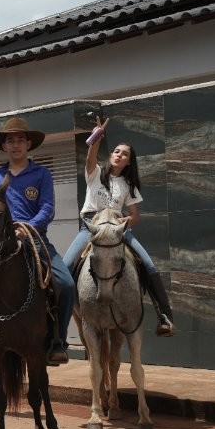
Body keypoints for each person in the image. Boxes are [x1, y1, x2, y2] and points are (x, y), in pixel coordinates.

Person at [0, 117, 75, 365]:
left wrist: (28, 227)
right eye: (11, 140)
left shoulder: (41, 174)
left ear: (29, 144)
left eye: (20, 140)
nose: (16, 145)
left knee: (67, 284)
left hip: (34, 238)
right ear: (4, 146)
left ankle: (58, 342)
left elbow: (47, 208)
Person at [63, 117, 173, 336]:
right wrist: (97, 136)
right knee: (64, 267)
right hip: (91, 228)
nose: (119, 155)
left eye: (124, 154)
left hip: (117, 230)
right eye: (116, 151)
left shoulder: (128, 185)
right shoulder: (95, 173)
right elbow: (90, 157)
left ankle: (164, 316)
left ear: (129, 162)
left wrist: (127, 221)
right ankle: (55, 317)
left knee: (149, 265)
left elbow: (135, 216)